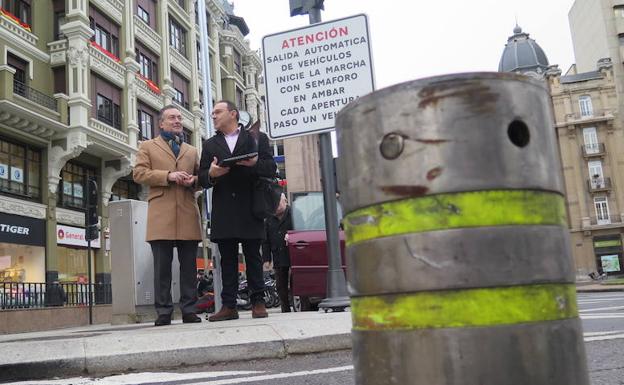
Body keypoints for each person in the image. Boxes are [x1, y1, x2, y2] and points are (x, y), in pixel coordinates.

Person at [198, 100, 277, 321]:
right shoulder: (210, 144)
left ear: (233, 114)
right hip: (224, 208)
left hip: (251, 205)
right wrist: (212, 174)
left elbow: (271, 168)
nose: (213, 116)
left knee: (253, 256)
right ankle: (228, 306)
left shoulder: (257, 138)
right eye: (212, 112)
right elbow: (202, 177)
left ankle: (258, 302)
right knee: (227, 260)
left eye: (218, 112)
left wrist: (254, 165)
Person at [133, 105, 202, 326]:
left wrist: (195, 181)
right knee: (162, 267)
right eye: (172, 117)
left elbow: (201, 176)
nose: (177, 121)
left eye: (180, 117)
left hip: (187, 210)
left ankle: (189, 310)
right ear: (161, 123)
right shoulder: (147, 146)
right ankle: (163, 312)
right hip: (161, 213)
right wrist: (169, 176)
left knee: (189, 267)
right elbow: (139, 173)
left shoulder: (191, 151)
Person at [262, 193, 293, 312]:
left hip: (293, 253)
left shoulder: (294, 214)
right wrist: (266, 259)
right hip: (278, 256)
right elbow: (266, 241)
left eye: (278, 202)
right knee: (280, 285)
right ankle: (285, 308)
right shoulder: (269, 218)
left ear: (285, 201)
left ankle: (301, 305)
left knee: (295, 282)